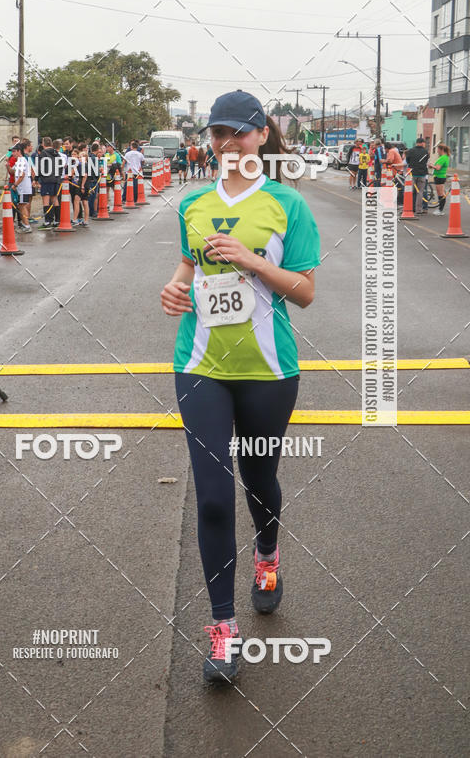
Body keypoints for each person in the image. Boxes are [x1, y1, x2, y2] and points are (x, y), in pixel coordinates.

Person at [161, 90, 320, 684]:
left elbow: (303, 292)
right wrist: (174, 289)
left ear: (260, 136)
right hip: (200, 362)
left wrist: (253, 262)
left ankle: (268, 553)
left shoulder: (287, 204)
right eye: (216, 135)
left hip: (267, 368)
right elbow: (185, 269)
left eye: (237, 134)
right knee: (211, 494)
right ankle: (223, 631)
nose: (226, 145)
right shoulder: (194, 204)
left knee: (258, 479)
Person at [11, 140, 33, 232]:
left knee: (22, 206)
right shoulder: (20, 160)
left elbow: (22, 175)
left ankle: (27, 225)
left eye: (14, 151)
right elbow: (13, 172)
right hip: (23, 188)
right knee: (21, 206)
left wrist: (15, 185)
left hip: (23, 188)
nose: (12, 153)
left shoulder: (21, 160)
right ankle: (25, 224)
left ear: (19, 151)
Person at [405, 136, 429, 215]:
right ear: (422, 143)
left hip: (412, 174)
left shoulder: (410, 151)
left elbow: (407, 160)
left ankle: (410, 208)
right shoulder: (425, 152)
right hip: (422, 174)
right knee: (420, 192)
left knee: (410, 191)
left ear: (416, 143)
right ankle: (418, 209)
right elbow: (426, 161)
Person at [429, 142, 450, 215]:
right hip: (439, 176)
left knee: (441, 194)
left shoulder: (443, 158)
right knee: (440, 193)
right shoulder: (444, 157)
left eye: (438, 149)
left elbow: (438, 168)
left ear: (442, 150)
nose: (437, 151)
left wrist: (431, 165)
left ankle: (440, 210)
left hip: (440, 177)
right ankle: (440, 209)